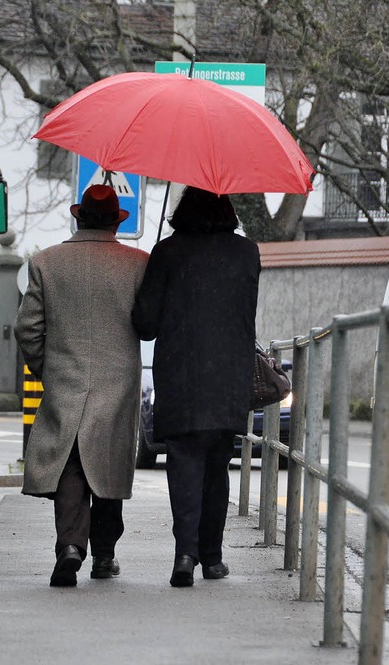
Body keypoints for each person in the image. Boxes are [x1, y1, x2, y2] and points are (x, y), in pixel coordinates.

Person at [15, 184, 148, 587]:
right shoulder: (139, 263)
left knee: (71, 465)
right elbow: (148, 323)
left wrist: (47, 368)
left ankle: (70, 546)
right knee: (106, 466)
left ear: (79, 216)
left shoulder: (45, 263)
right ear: (115, 221)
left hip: (65, 378)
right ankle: (104, 556)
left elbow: (28, 328)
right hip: (118, 382)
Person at [131, 186, 260, 587]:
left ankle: (184, 555)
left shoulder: (168, 252)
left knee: (184, 463)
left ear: (182, 210)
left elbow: (145, 323)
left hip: (181, 376)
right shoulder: (247, 253)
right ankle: (212, 557)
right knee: (218, 466)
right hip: (228, 376)